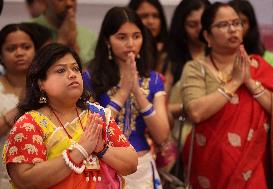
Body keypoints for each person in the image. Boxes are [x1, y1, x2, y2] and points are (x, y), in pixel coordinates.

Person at [3, 43, 138, 189]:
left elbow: (131, 163)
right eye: (61, 70)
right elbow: (25, 180)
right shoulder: (29, 124)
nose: (72, 74)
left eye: (75, 68)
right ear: (41, 83)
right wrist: (79, 152)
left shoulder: (97, 115)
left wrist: (102, 149)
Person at [180, 2, 273, 188]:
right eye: (223, 25)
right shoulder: (196, 68)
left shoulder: (258, 66)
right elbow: (195, 112)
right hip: (210, 166)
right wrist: (234, 83)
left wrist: (250, 83)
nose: (232, 29)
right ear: (207, 36)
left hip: (252, 166)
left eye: (236, 23)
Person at [83, 7, 170, 189]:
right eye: (122, 37)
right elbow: (91, 131)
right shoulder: (90, 78)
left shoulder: (153, 79)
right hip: (105, 167)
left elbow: (162, 136)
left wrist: (137, 91)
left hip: (143, 167)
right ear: (107, 40)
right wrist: (123, 93)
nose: (130, 43)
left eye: (136, 36)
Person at [0, 23, 45, 189]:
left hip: (42, 173)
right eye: (11, 48)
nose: (19, 53)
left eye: (26, 47)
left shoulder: (46, 86)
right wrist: (21, 106)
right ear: (1, 55)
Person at [167, 0, 210, 147]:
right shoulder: (170, 59)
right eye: (192, 25)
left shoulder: (221, 56)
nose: (199, 29)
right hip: (179, 141)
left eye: (203, 23)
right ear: (181, 26)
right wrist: (191, 108)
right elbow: (161, 107)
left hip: (214, 137)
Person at [32, 0, 96, 67]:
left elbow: (91, 74)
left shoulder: (90, 37)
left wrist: (74, 47)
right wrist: (61, 41)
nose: (69, 3)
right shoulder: (27, 31)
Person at [229, 0, 273, 69]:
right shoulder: (217, 56)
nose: (238, 28)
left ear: (251, 25)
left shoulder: (267, 58)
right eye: (234, 22)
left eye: (243, 22)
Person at [128, 0, 169, 78]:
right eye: (144, 16)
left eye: (155, 16)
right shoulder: (127, 49)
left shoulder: (170, 52)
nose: (150, 21)